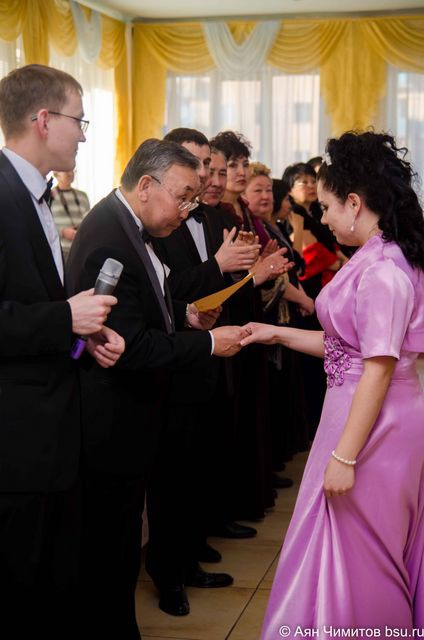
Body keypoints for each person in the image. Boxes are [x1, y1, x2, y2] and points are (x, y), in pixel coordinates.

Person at [240, 131, 424, 635]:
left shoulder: (382, 270)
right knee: (355, 547)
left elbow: (378, 368)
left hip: (375, 425)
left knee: (366, 556)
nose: (321, 219)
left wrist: (345, 457)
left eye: (326, 207)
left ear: (355, 203)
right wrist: (276, 333)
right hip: (362, 414)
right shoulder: (377, 256)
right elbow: (351, 348)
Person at [66, 137, 248, 639]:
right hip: (112, 420)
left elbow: (147, 307)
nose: (187, 210)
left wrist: (185, 315)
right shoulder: (109, 236)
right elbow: (130, 346)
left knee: (123, 542)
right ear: (146, 185)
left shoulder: (133, 226)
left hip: (136, 412)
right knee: (110, 549)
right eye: (183, 197)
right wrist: (208, 342)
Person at [0, 64, 124, 640]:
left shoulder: (35, 195)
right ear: (44, 120)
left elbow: (33, 305)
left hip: (46, 434)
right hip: (16, 439)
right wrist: (63, 318)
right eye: (80, 121)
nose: (83, 135)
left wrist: (81, 335)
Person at [51, 169, 90, 259]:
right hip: (61, 250)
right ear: (56, 174)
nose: (70, 173)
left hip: (81, 248)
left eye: (72, 170)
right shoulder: (50, 196)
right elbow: (45, 225)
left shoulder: (83, 195)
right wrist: (63, 232)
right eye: (66, 170)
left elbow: (88, 220)